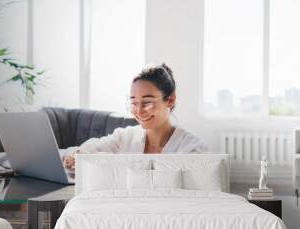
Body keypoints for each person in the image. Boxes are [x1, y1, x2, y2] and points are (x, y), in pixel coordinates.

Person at [64, 63, 207, 171]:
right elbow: (93, 147)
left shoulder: (192, 149)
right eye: (134, 103)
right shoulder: (125, 137)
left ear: (170, 100)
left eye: (147, 102)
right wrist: (77, 155)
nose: (139, 111)